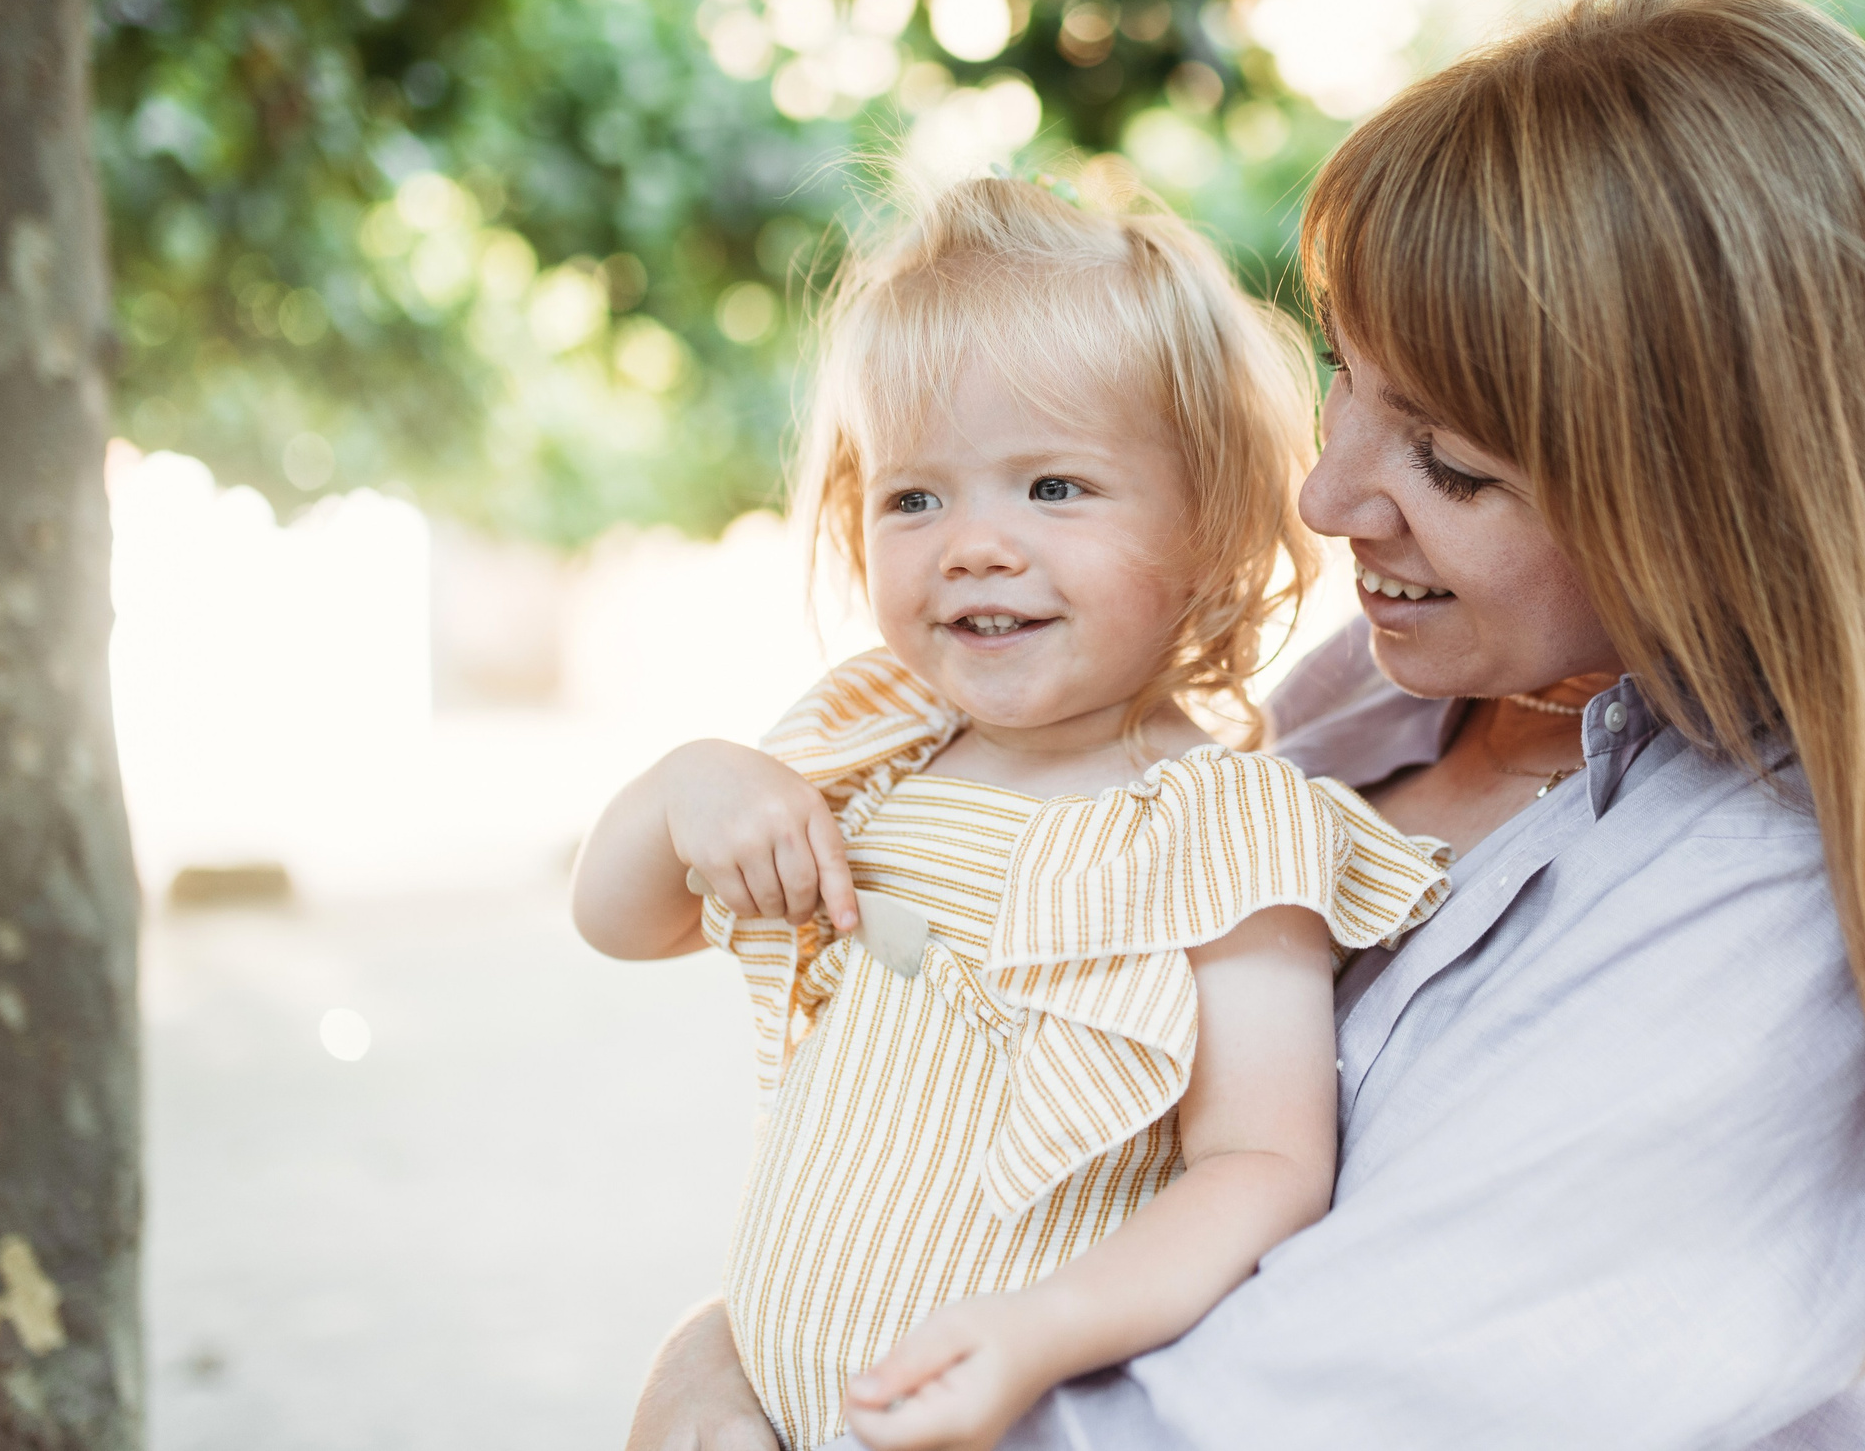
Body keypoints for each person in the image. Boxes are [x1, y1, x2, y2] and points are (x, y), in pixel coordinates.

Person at [626, 0, 1865, 1450]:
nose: (1322, 496)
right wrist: (740, 1337)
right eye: (1349, 382)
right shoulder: (1391, 689)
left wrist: (791, 1398)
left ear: (1714, 501)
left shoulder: (1780, 922)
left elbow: (1262, 1423)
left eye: (1452, 464)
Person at [573, 179, 1446, 1451]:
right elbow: (621, 920)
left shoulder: (1221, 825)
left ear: (1207, 526)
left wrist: (1041, 1323)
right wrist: (686, 784)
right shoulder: (875, 750)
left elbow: (1261, 1165)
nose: (973, 544)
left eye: (1051, 486)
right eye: (914, 497)